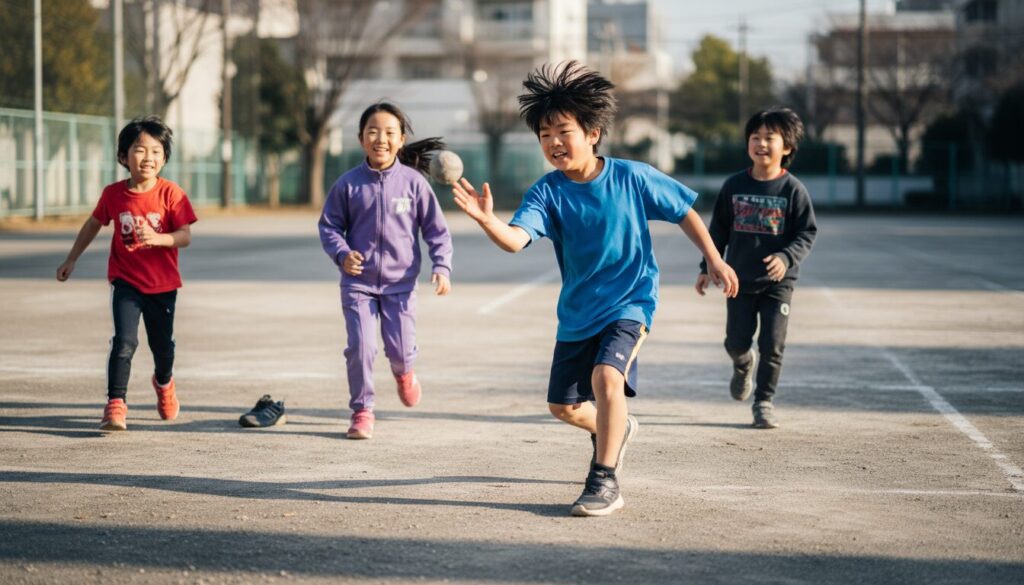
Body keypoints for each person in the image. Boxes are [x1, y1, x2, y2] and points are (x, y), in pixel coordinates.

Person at [452, 61, 738, 517]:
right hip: (578, 312)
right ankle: (616, 428)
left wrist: (715, 258)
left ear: (593, 132)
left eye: (563, 131)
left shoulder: (632, 177)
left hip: (631, 301)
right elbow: (515, 240)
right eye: (544, 135)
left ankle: (604, 480)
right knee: (562, 407)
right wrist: (488, 220)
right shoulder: (547, 193)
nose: (553, 143)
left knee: (607, 379)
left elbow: (684, 210)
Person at [319, 102, 453, 440]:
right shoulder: (348, 185)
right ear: (361, 139)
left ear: (401, 139)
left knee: (400, 349)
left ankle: (405, 372)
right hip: (358, 285)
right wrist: (342, 253)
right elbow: (329, 226)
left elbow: (436, 230)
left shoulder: (414, 184)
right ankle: (362, 411)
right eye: (373, 132)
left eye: (389, 132)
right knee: (361, 347)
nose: (381, 138)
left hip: (401, 285)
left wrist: (442, 266)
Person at [56, 115, 197, 431]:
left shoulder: (172, 194)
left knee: (162, 347)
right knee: (124, 341)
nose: (148, 158)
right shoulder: (113, 194)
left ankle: (164, 383)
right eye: (140, 149)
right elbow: (93, 224)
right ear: (123, 156)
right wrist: (71, 259)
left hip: (163, 286)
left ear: (165, 158)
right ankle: (115, 405)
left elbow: (185, 235)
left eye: (157, 151)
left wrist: (160, 238)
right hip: (126, 282)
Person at [696, 107, 817, 429]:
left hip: (778, 283)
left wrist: (786, 257)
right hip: (739, 279)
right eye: (755, 137)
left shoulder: (793, 190)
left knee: (772, 346)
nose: (761, 143)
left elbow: (807, 232)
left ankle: (763, 402)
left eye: (770, 138)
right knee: (736, 342)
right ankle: (742, 363)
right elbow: (717, 230)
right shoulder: (734, 185)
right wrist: (708, 265)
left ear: (787, 147)